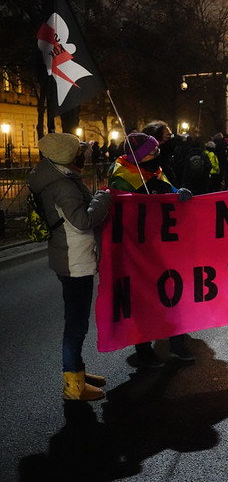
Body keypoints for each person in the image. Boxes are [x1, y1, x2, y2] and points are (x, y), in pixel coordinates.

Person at [29, 133, 112, 401]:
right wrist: (104, 198)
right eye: (80, 154)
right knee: (76, 324)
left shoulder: (57, 177)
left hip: (70, 255)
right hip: (74, 260)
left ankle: (77, 371)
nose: (85, 157)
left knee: (76, 320)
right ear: (70, 158)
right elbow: (83, 222)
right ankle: (73, 386)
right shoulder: (63, 186)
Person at [108, 132, 195, 367]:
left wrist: (180, 193)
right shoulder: (122, 178)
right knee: (144, 301)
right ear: (140, 156)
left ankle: (177, 345)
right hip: (138, 251)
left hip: (164, 247)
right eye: (153, 151)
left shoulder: (153, 170)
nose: (158, 155)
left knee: (173, 295)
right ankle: (144, 350)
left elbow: (169, 190)